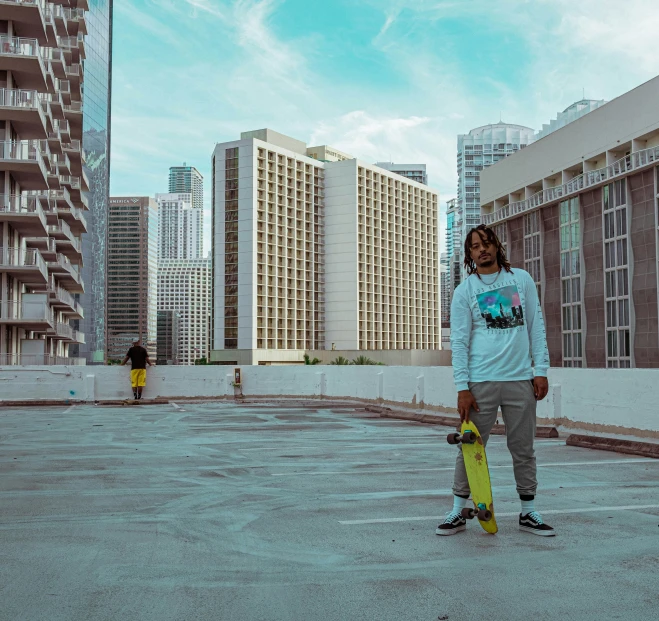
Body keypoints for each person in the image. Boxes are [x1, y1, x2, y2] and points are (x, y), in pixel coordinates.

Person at [436, 224, 555, 537]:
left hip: (520, 380)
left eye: (486, 243)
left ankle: (529, 512)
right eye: (475, 246)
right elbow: (459, 342)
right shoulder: (465, 291)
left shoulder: (521, 280)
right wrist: (462, 387)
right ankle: (458, 512)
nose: (482, 249)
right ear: (470, 254)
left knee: (523, 448)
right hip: (480, 382)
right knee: (470, 449)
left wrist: (540, 369)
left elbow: (535, 326)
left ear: (497, 246)